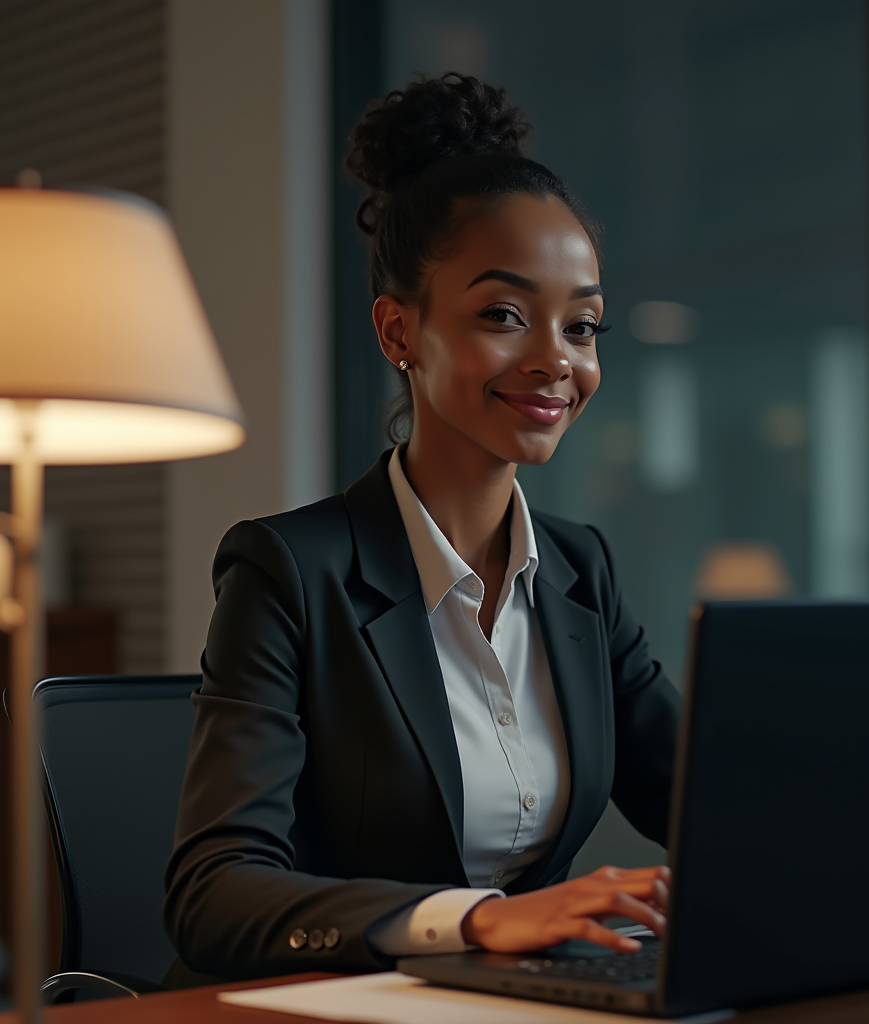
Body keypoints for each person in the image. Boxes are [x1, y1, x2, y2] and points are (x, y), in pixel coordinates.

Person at [163, 73, 680, 985]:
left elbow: (705, 804)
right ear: (400, 330)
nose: (556, 360)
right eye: (504, 315)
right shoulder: (288, 571)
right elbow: (214, 893)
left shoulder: (578, 570)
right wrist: (479, 922)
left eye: (584, 324)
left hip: (532, 1002)